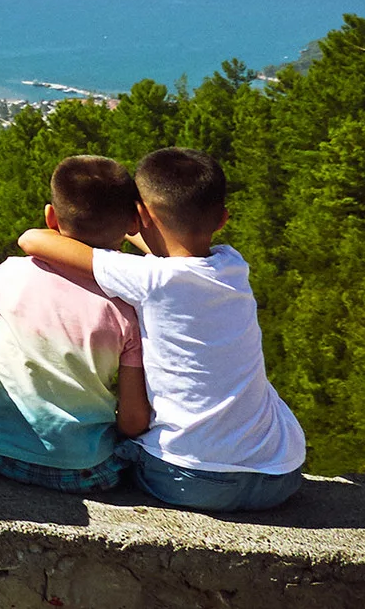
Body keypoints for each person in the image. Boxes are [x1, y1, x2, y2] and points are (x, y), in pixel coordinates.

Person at [19, 146, 308, 512]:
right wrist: (134, 228)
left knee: (105, 448)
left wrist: (126, 226)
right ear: (222, 219)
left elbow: (33, 240)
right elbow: (169, 249)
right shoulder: (233, 264)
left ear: (139, 216)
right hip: (279, 474)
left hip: (190, 480)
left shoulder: (150, 278)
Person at [0, 155, 150, 491]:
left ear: (50, 217)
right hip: (86, 472)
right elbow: (134, 420)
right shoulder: (129, 307)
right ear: (133, 223)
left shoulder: (11, 273)